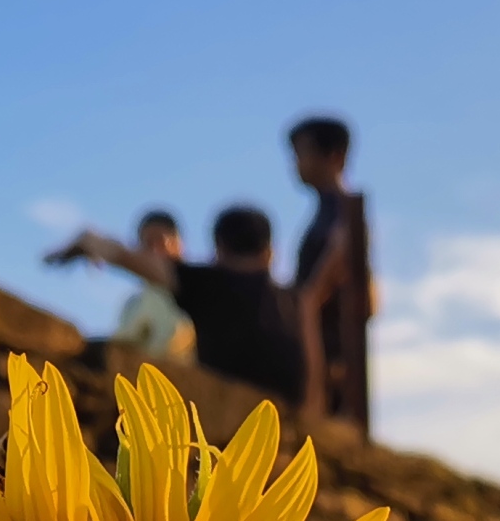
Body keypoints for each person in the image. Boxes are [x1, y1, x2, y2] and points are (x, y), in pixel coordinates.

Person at [48, 205, 301, 405]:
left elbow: (120, 254)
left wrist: (84, 242)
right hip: (292, 424)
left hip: (222, 417)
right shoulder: (296, 302)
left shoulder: (205, 284)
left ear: (219, 248)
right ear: (270, 252)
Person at [289, 116, 371, 429]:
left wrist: (307, 305)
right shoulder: (327, 211)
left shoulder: (344, 212)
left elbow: (316, 291)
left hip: (330, 347)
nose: (296, 165)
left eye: (302, 154)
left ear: (333, 156)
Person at [108, 212, 195, 364]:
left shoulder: (201, 292)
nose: (154, 250)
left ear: (178, 244)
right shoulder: (133, 305)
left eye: (161, 242)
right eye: (148, 244)